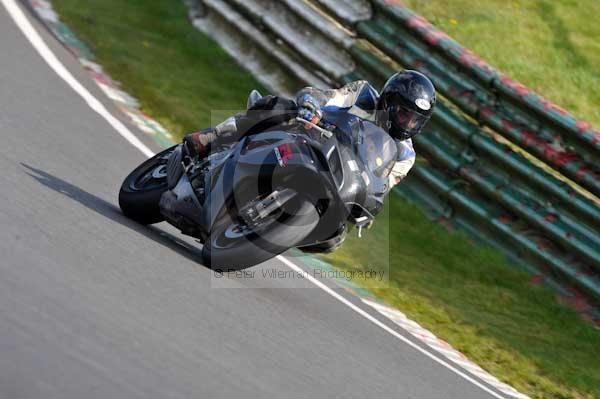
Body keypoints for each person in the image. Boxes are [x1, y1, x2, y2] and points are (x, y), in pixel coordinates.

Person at [184, 70, 436, 252]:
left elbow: (383, 184)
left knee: (334, 239)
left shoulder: (406, 155)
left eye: (416, 120)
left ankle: (273, 226)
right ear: (390, 101)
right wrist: (312, 105)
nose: (408, 124)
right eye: (404, 114)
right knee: (278, 107)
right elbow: (325, 96)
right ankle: (211, 137)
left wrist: (368, 208)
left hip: (341, 175)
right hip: (310, 134)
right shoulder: (363, 94)